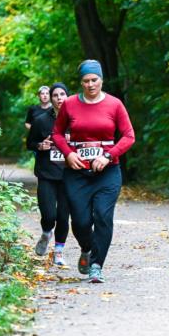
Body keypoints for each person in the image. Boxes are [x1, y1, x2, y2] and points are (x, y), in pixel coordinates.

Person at [52, 60, 135, 283]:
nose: (90, 85)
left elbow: (129, 136)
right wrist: (69, 154)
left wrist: (107, 155)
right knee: (79, 221)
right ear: (81, 82)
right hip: (77, 172)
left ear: (101, 80)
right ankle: (87, 249)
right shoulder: (69, 104)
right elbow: (57, 134)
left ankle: (97, 265)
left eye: (94, 80)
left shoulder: (115, 104)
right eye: (86, 81)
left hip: (108, 172)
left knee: (103, 216)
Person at [26, 83, 70, 266]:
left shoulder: (77, 119)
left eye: (62, 94)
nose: (59, 98)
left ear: (68, 97)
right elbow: (30, 143)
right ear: (50, 99)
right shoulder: (41, 120)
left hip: (69, 175)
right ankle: (46, 232)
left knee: (63, 216)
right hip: (46, 173)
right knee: (49, 214)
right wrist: (39, 146)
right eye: (55, 95)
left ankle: (59, 252)